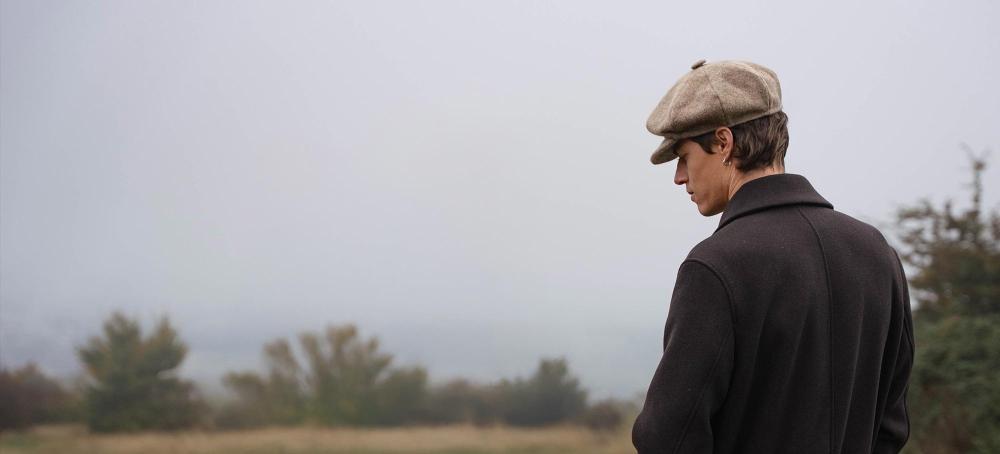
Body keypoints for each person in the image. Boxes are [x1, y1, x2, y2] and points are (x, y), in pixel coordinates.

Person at [631, 59, 914, 454]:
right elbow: (891, 426)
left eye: (683, 155)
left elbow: (667, 437)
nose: (679, 176)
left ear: (724, 143)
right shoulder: (877, 253)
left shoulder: (716, 266)